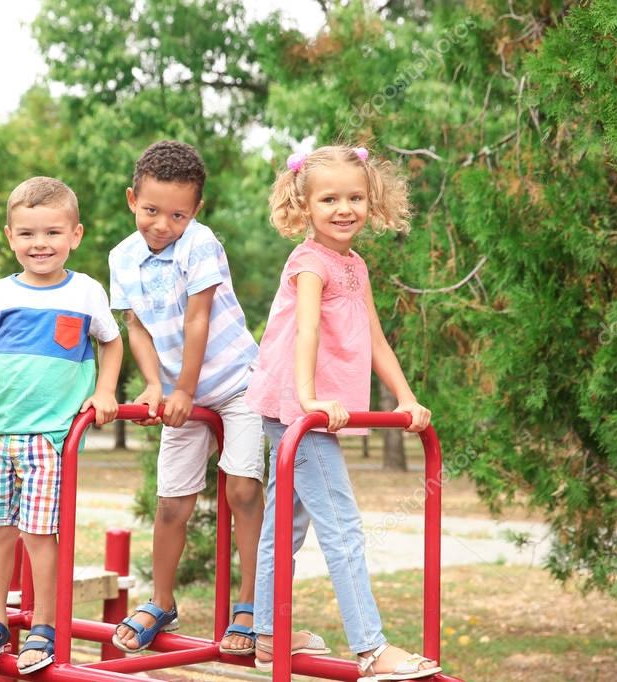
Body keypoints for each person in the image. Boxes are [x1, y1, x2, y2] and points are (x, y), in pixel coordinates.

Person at [245, 145, 441, 679]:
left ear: (371, 201)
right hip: (296, 411)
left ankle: (267, 635)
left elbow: (375, 336)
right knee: (344, 527)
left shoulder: (354, 263)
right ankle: (371, 649)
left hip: (299, 409)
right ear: (304, 204)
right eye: (329, 198)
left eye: (355, 197)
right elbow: (306, 330)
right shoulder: (309, 263)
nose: (344, 208)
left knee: (283, 528)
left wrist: (405, 396)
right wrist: (307, 399)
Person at [0, 176, 123, 674]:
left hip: (49, 439)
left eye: (52, 233)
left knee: (39, 536)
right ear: (10, 236)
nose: (40, 244)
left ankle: (44, 626)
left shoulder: (87, 292)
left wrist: (105, 391)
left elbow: (110, 343)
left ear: (75, 235)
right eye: (27, 234)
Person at [109, 140, 265, 656]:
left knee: (241, 490)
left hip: (235, 381)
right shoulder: (122, 257)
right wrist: (155, 384)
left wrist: (182, 389)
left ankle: (251, 602)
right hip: (179, 392)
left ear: (195, 211)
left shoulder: (199, 244)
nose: (162, 224)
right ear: (133, 199)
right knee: (172, 502)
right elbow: (136, 326)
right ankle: (161, 599)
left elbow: (198, 318)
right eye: (151, 210)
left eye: (177, 214)